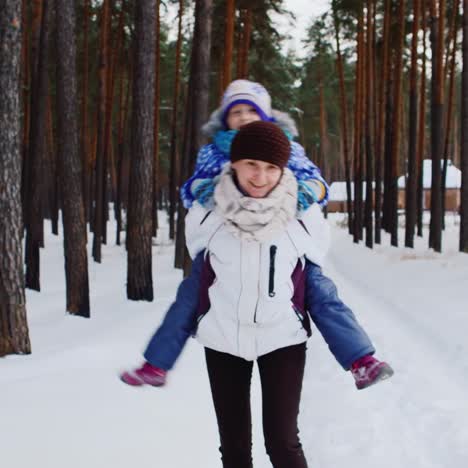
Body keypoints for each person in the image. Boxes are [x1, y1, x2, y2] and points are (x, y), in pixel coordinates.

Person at [130, 122, 391, 467]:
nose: (261, 176)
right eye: (252, 164)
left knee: (283, 444)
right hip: (223, 342)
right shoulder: (209, 217)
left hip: (282, 339)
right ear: (234, 162)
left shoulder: (299, 218)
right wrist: (158, 360)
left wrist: (360, 357)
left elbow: (324, 298)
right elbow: (189, 298)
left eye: (271, 168)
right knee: (235, 449)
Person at [121, 81, 393, 392]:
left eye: (252, 110)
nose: (244, 116)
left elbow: (315, 180)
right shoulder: (213, 152)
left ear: (266, 115)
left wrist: (307, 194)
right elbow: (193, 187)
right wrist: (208, 194)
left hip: (285, 237)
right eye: (236, 111)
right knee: (189, 296)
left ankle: (361, 360)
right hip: (228, 240)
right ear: (225, 119)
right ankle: (156, 363)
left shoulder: (287, 145)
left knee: (322, 295)